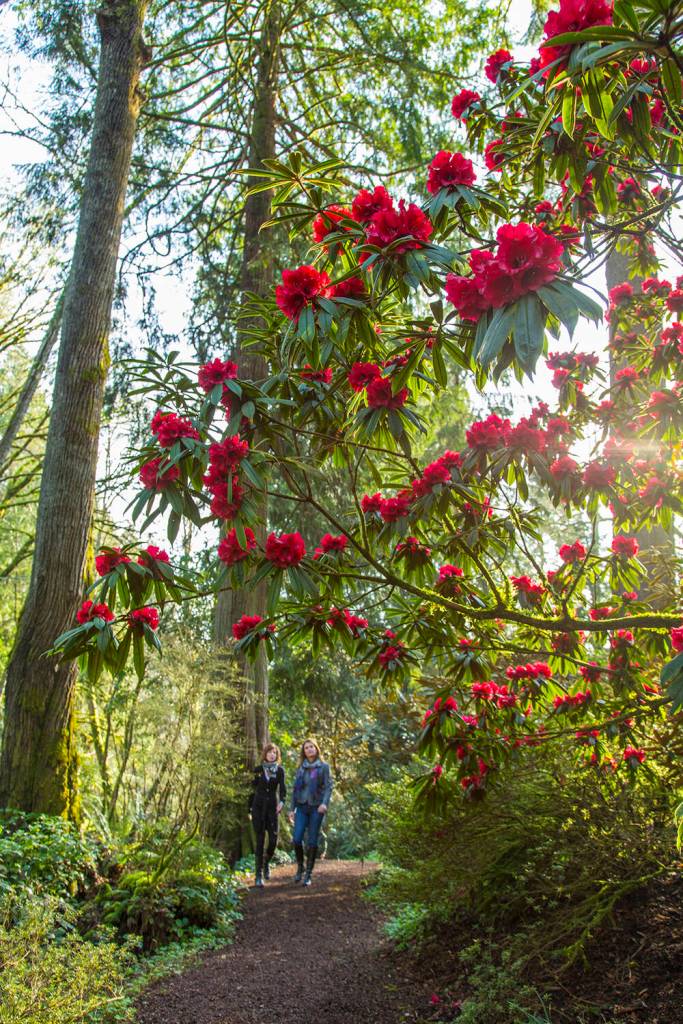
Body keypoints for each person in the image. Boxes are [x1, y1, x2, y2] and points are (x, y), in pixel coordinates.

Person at [288, 738, 333, 887]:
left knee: (312, 841)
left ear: (316, 748)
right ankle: (300, 867)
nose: (309, 749)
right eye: (306, 748)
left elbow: (328, 787)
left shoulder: (323, 767)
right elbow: (295, 790)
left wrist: (324, 804)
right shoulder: (301, 767)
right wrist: (291, 809)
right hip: (301, 806)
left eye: (311, 747)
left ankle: (308, 873)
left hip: (316, 807)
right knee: (296, 838)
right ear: (304, 751)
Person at [249, 742, 286, 888]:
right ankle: (258, 876)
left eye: (275, 753)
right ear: (265, 754)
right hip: (258, 808)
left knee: (273, 840)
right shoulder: (258, 770)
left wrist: (282, 802)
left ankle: (266, 862)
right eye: (270, 752)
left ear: (277, 755)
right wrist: (249, 810)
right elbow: (252, 791)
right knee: (259, 841)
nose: (272, 754)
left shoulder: (280, 770)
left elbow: (283, 790)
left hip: (272, 808)